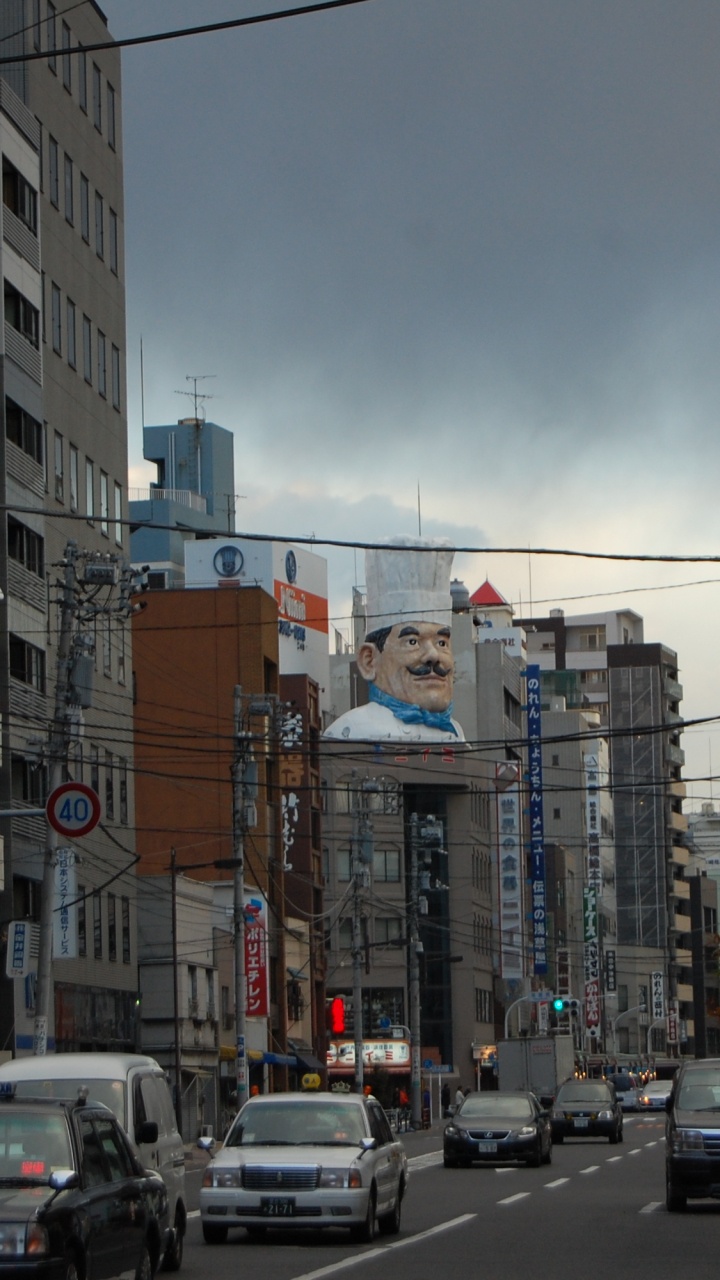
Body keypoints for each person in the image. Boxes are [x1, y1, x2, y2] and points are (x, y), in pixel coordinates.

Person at [323, 537, 465, 743]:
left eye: (441, 643)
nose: (433, 656)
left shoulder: (457, 735)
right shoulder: (350, 732)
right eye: (412, 642)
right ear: (369, 660)